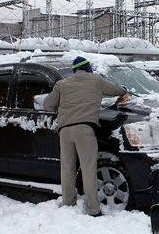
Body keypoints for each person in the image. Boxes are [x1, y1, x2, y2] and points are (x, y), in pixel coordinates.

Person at [43, 56, 127, 217]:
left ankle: (68, 202)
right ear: (88, 68)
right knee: (88, 169)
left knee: (67, 169)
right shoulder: (95, 80)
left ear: (75, 70)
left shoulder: (62, 84)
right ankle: (93, 209)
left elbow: (47, 104)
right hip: (85, 130)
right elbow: (115, 90)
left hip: (65, 131)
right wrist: (123, 90)